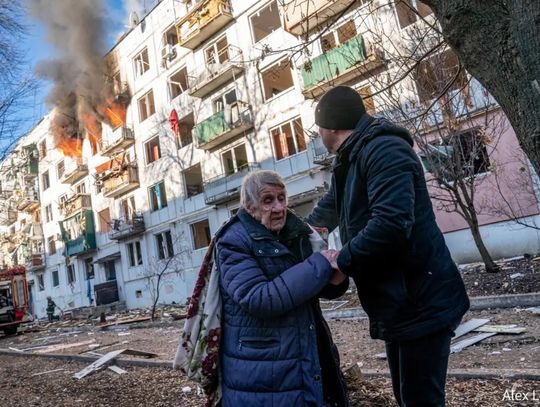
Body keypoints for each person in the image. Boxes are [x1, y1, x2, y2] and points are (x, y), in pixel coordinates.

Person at [306, 86, 470, 407]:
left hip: (420, 300)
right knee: (407, 396)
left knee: (420, 400)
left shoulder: (385, 151)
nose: (319, 135)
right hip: (398, 303)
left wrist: (341, 261)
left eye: (318, 129)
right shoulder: (351, 158)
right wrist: (297, 235)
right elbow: (328, 211)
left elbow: (392, 224)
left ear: (332, 127)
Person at [216, 170, 349, 407]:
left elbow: (313, 287)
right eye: (268, 200)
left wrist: (337, 276)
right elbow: (258, 298)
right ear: (249, 206)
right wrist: (321, 263)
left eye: (282, 198)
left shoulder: (295, 232)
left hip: (301, 356)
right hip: (261, 368)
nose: (279, 208)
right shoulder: (233, 240)